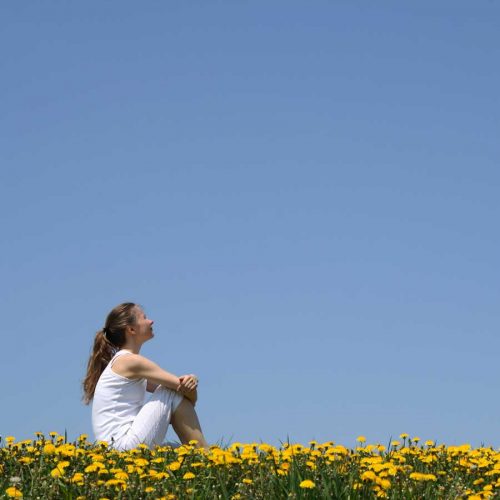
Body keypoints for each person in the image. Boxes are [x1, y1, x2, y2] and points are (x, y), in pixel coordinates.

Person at [82, 302, 208, 450]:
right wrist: (190, 381)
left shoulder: (125, 364)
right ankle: (205, 453)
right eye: (144, 317)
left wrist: (188, 386)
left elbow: (182, 395)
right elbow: (179, 390)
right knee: (169, 392)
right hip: (122, 446)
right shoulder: (130, 361)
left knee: (177, 451)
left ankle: (199, 455)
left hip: (116, 447)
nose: (151, 321)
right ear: (131, 329)